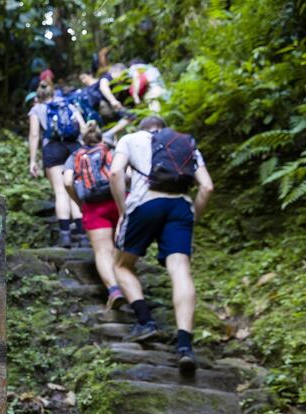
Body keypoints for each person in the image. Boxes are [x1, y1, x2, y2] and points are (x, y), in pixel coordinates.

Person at [109, 116, 214, 373]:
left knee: (122, 266)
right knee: (180, 269)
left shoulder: (130, 138)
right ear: (164, 129)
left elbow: (114, 173)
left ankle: (145, 322)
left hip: (145, 203)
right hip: (180, 206)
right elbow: (207, 187)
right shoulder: (185, 143)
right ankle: (184, 346)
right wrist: (192, 218)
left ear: (143, 128)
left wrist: (124, 210)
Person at [63, 121, 126, 308]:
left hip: (93, 206)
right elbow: (124, 173)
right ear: (101, 136)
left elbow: (67, 182)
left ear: (82, 139)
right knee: (120, 246)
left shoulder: (75, 155)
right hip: (117, 201)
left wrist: (79, 203)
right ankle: (128, 283)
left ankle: (114, 290)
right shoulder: (110, 149)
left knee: (102, 250)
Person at [28, 81, 87, 248]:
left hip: (52, 148)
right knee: (74, 190)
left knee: (61, 192)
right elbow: (83, 128)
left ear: (37, 95)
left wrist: (33, 160)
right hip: (74, 148)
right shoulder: (68, 104)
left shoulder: (36, 109)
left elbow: (34, 135)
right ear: (54, 93)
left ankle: (65, 236)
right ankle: (83, 236)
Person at [78, 64, 134, 145]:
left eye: (84, 77)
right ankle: (109, 135)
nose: (83, 81)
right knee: (132, 116)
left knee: (116, 127)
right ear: (117, 71)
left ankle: (112, 140)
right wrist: (113, 101)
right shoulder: (106, 77)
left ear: (90, 75)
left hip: (101, 111)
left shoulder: (94, 84)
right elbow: (103, 87)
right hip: (104, 107)